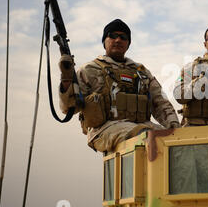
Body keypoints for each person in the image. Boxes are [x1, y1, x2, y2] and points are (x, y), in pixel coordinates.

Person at [59, 18, 180, 152]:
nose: (118, 40)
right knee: (145, 137)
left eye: (123, 37)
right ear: (104, 41)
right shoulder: (89, 70)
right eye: (112, 36)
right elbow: (68, 108)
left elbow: (160, 101)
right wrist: (66, 79)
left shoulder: (142, 72)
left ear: (128, 43)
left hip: (142, 126)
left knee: (174, 142)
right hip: (104, 129)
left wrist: (174, 127)